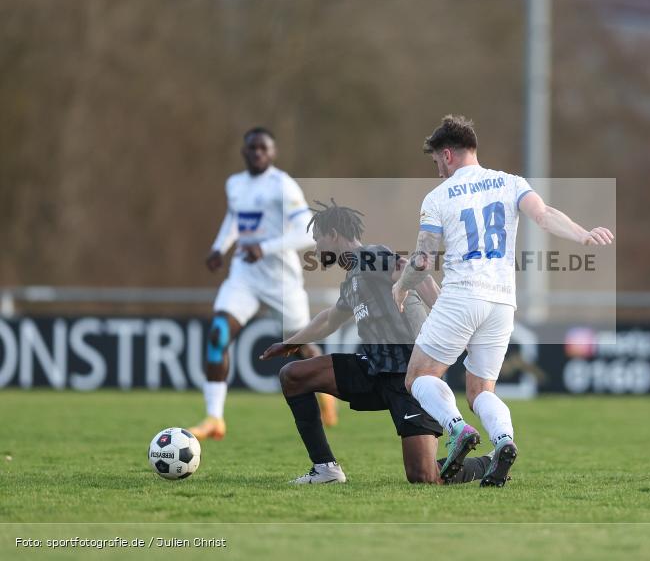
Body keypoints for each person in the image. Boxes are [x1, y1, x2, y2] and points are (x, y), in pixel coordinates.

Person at [392, 115, 614, 486]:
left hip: (462, 295)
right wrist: (583, 234)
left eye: (436, 162)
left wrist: (402, 286)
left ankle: (457, 428)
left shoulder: (438, 197)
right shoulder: (511, 182)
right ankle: (503, 442)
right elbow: (544, 215)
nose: (438, 170)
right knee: (481, 391)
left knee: (419, 376)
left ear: (447, 155)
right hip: (501, 303)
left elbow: (424, 259)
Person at [260, 200, 492, 484]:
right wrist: (291, 343)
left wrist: (452, 325)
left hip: (410, 376)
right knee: (294, 375)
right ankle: (325, 469)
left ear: (333, 234)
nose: (316, 248)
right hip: (372, 370)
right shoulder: (352, 278)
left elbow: (415, 273)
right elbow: (330, 319)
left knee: (423, 476)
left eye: (318, 239)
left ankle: (486, 463)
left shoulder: (370, 256)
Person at [190, 127, 336, 440]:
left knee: (299, 345)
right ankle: (214, 418)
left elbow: (307, 232)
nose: (257, 152)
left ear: (272, 153)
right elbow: (234, 219)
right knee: (217, 334)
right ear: (244, 151)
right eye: (252, 148)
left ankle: (327, 394)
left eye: (263, 148)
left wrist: (265, 248)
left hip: (281, 279)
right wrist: (219, 248)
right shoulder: (235, 183)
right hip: (244, 276)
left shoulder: (282, 185)